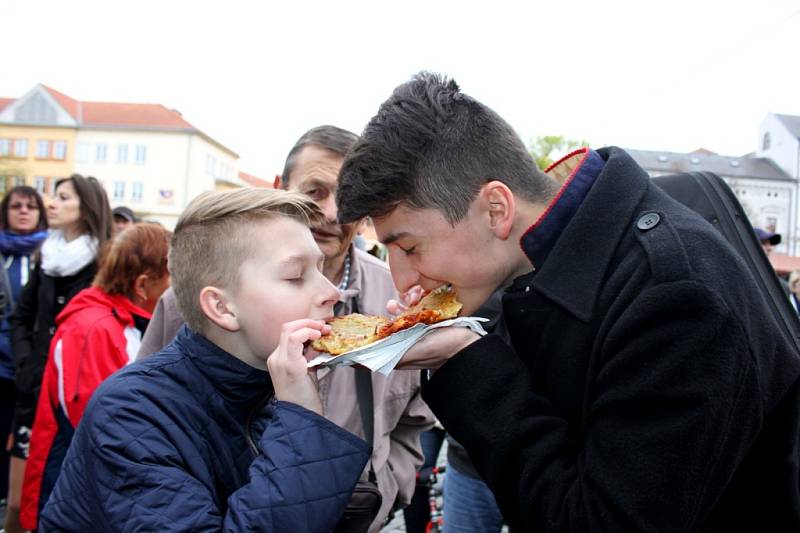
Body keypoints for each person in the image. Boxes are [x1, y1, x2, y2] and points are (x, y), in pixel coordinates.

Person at [335, 72, 800, 531]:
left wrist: (465, 361)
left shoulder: (673, 297)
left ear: (496, 209)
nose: (401, 279)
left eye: (410, 248)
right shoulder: (544, 267)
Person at [140, 125, 433, 531]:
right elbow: (152, 415)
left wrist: (381, 495)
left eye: (347, 198)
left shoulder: (396, 300)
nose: (331, 212)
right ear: (279, 189)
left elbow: (412, 419)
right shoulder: (190, 303)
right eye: (314, 191)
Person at [39, 188, 370, 531]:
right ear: (222, 308)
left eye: (320, 268)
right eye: (295, 276)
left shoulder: (267, 394)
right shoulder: (130, 413)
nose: (331, 292)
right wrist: (301, 420)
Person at [19, 223, 171, 529]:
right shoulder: (94, 328)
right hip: (68, 494)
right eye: (172, 277)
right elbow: (104, 426)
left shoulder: (118, 320)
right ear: (142, 285)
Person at [7, 174, 111, 533]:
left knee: (60, 496)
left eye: (63, 197)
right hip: (33, 387)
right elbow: (22, 315)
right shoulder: (47, 255)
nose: (51, 203)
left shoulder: (104, 261)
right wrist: (25, 362)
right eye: (54, 196)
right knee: (19, 499)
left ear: (87, 207)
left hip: (75, 398)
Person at [0, 186, 48, 531]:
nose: (23, 211)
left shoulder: (53, 255)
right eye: (16, 206)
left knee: (24, 442)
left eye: (30, 206)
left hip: (33, 368)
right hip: (1, 363)